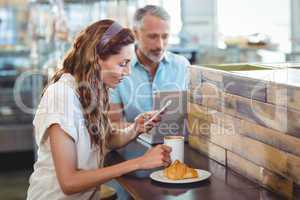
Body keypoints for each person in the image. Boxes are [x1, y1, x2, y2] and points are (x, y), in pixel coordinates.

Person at [26, 19, 171, 200]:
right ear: (96, 59)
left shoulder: (92, 90)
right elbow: (69, 182)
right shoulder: (62, 96)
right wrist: (139, 163)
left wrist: (136, 128)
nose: (128, 73)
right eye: (122, 64)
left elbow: (106, 140)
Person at [109, 5, 190, 126]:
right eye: (153, 36)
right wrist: (140, 128)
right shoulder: (119, 70)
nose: (160, 46)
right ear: (135, 34)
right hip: (134, 143)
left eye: (165, 36)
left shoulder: (182, 66)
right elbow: (113, 123)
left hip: (176, 141)